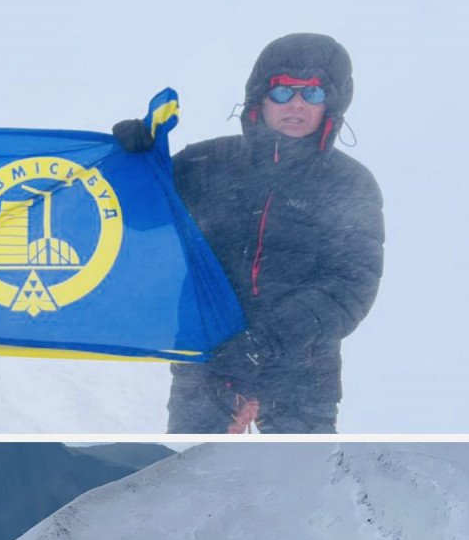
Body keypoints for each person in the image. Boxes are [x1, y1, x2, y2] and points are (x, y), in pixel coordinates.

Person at [113, 33, 384, 433]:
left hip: (302, 374)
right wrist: (132, 163)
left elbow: (351, 287)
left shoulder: (351, 185)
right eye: (282, 91)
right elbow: (136, 216)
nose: (295, 105)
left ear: (332, 102)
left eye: (311, 93)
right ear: (260, 96)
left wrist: (263, 343)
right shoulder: (206, 162)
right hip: (207, 366)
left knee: (304, 489)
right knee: (187, 486)